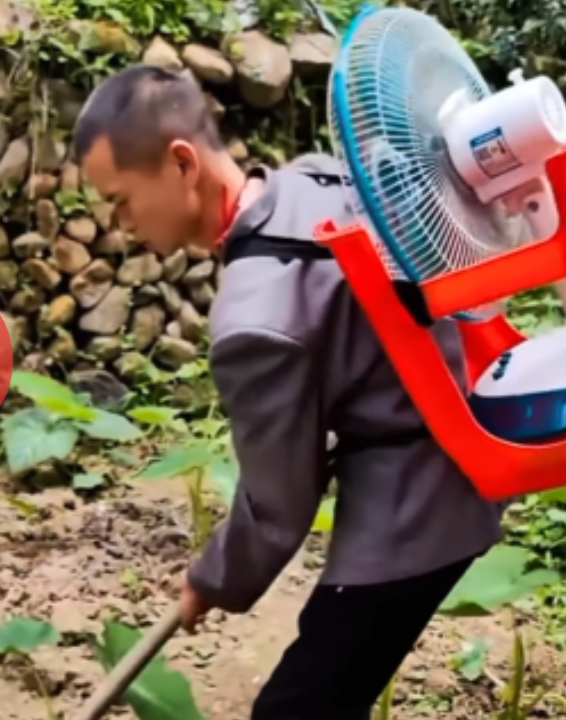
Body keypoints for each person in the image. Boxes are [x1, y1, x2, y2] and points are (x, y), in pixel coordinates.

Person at [73, 65, 502, 718]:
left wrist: (211, 578)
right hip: (465, 444)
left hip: (418, 505)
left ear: (182, 163)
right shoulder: (316, 177)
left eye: (121, 200)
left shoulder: (254, 318)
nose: (119, 223)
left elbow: (279, 503)